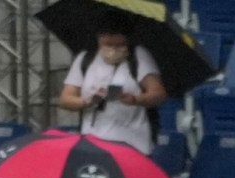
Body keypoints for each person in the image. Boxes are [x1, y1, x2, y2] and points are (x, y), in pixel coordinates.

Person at [58, 23, 168, 151]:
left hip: (133, 143)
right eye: (108, 44)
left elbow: (158, 94)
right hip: (92, 142)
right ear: (99, 40)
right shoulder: (86, 59)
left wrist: (136, 99)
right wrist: (87, 101)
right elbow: (65, 99)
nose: (114, 49)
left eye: (120, 45)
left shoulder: (138, 56)